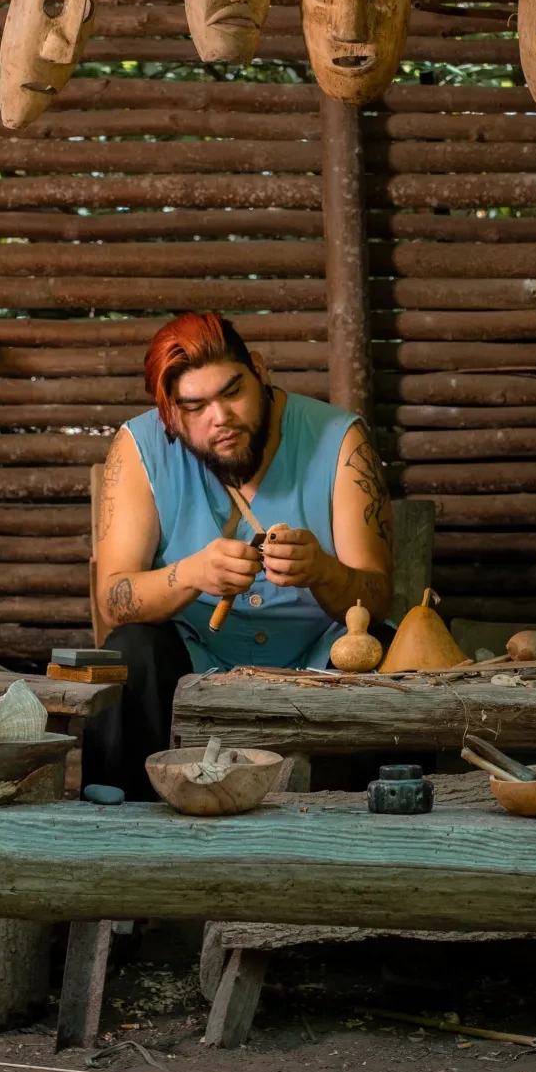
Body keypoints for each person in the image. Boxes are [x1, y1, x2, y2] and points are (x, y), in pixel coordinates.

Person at [86, 312, 394, 798]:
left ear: (259, 369)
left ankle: (377, 844)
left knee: (388, 652)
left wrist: (323, 572)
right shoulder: (139, 447)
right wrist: (190, 574)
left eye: (233, 392)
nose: (221, 419)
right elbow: (114, 599)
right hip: (193, 656)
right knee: (129, 654)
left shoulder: (340, 439)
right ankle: (119, 836)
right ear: (170, 413)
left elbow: (377, 599)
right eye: (195, 407)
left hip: (321, 657)